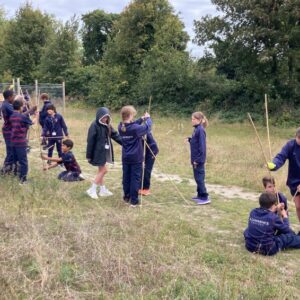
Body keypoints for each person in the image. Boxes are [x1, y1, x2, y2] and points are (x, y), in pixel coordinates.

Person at [118, 106, 152, 206]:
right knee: (135, 179)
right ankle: (134, 201)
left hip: (126, 158)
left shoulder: (121, 126)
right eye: (133, 115)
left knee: (126, 177)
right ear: (130, 115)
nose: (134, 117)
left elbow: (132, 125)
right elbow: (147, 128)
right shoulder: (135, 129)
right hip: (136, 158)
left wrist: (141, 119)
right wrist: (148, 119)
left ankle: (126, 197)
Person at [86, 107, 122, 199]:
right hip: (97, 153)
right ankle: (92, 189)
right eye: (103, 117)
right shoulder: (94, 125)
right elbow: (90, 141)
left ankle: (102, 190)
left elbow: (115, 135)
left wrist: (126, 143)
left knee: (100, 171)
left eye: (107, 117)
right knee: (104, 170)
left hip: (104, 152)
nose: (105, 119)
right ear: (99, 116)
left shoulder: (107, 125)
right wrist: (89, 155)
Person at [267, 128, 300, 222]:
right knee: (298, 206)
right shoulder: (290, 145)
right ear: (296, 136)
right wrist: (274, 165)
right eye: (299, 138)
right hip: (294, 181)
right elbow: (281, 157)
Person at [10, 99, 38, 184]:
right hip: (20, 141)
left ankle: (15, 175)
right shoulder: (22, 117)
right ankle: (23, 180)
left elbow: (23, 118)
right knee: (23, 161)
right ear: (20, 107)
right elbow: (32, 122)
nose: (23, 107)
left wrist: (31, 111)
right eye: (22, 106)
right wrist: (37, 116)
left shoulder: (12, 115)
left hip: (13, 141)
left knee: (15, 159)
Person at [187, 111, 210, 205]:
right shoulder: (196, 129)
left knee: (200, 178)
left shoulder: (200, 130)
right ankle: (200, 195)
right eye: (192, 119)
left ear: (200, 120)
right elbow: (195, 143)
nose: (192, 121)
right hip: (195, 159)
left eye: (194, 119)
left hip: (198, 160)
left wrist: (198, 160)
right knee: (197, 178)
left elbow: (202, 147)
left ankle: (205, 197)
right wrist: (190, 140)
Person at [1, 90, 15, 173]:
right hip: (8, 130)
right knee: (10, 150)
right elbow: (18, 115)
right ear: (9, 97)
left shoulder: (7, 105)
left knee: (11, 150)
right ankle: (4, 170)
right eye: (13, 96)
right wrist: (30, 111)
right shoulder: (7, 106)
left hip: (8, 130)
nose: (13, 98)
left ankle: (9, 169)